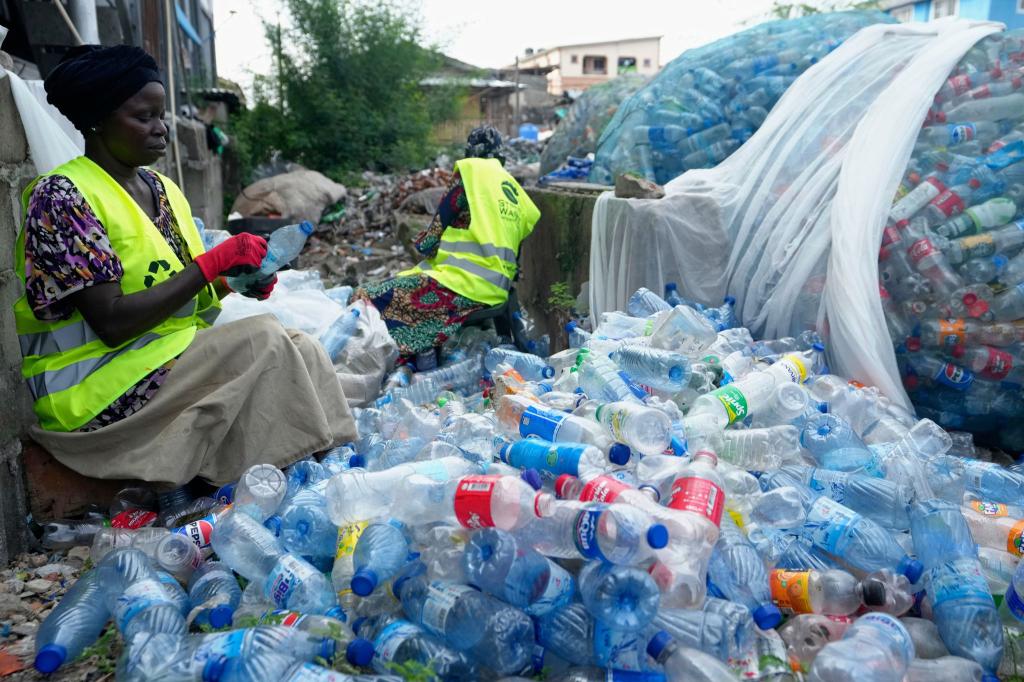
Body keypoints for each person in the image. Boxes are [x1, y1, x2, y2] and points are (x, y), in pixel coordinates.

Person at [12, 45, 355, 486]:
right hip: (91, 392)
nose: (161, 130)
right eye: (144, 117)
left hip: (159, 364)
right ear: (96, 120)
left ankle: (334, 472)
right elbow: (112, 323)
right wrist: (213, 264)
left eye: (162, 115)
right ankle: (281, 486)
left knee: (303, 346)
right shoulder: (61, 197)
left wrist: (237, 282)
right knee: (262, 339)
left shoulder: (161, 189)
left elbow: (185, 297)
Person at [354, 126, 541, 361]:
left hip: (463, 286)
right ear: (500, 154)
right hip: (499, 289)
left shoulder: (472, 174)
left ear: (470, 151)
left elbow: (434, 233)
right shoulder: (516, 192)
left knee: (366, 295)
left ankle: (385, 359)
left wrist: (422, 244)